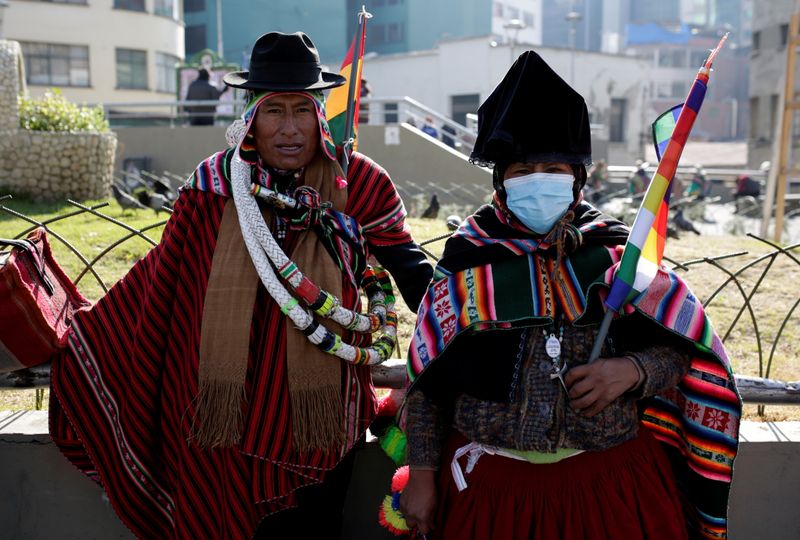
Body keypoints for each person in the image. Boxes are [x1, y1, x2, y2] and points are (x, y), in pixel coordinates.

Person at [48, 31, 433, 539]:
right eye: (274, 110)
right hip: (223, 416)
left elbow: (411, 273)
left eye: (302, 110)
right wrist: (79, 342)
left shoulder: (354, 183)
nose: (290, 129)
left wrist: (446, 354)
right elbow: (162, 283)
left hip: (324, 419)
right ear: (251, 115)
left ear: (321, 114)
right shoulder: (213, 184)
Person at [399, 51, 740, 539]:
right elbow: (431, 384)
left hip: (612, 490)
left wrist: (633, 371)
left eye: (554, 166)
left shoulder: (619, 256)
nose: (538, 178)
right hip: (493, 495)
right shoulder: (465, 262)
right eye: (522, 168)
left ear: (578, 177)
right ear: (500, 180)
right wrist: (423, 476)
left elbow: (686, 351)